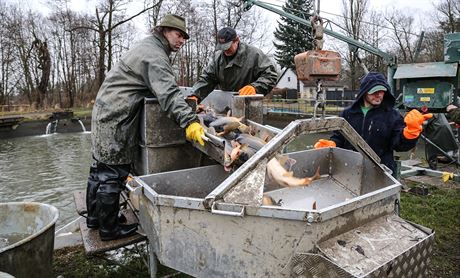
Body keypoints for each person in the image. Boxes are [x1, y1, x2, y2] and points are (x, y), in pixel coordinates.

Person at [86, 14, 205, 241]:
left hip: (105, 112)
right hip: (116, 117)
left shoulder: (147, 46)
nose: (182, 41)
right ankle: (109, 230)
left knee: (98, 169)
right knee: (113, 174)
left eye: (184, 37)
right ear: (164, 30)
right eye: (178, 35)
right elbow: (168, 94)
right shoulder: (155, 56)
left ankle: (96, 218)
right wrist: (189, 120)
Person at [314, 71, 432, 174]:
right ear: (364, 92)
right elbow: (339, 137)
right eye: (374, 91)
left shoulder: (392, 115)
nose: (379, 95)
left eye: (382, 91)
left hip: (380, 170)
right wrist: (333, 144)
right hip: (350, 168)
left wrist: (410, 134)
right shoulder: (347, 114)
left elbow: (399, 144)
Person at [190, 27, 278, 99]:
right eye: (222, 47)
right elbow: (207, 79)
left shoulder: (254, 55)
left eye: (228, 46)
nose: (225, 50)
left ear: (237, 40)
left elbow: (270, 75)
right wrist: (195, 95)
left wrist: (255, 87)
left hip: (249, 104)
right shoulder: (217, 58)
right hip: (226, 103)